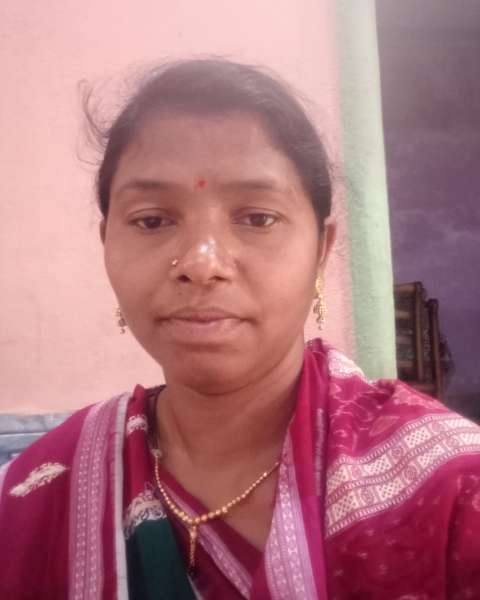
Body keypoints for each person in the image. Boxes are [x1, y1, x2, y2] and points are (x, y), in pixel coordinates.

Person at [1, 58, 479, 600]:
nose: (201, 264)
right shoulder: (41, 488)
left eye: (257, 218)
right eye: (152, 220)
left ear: (320, 251)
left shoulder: (453, 492)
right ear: (107, 242)